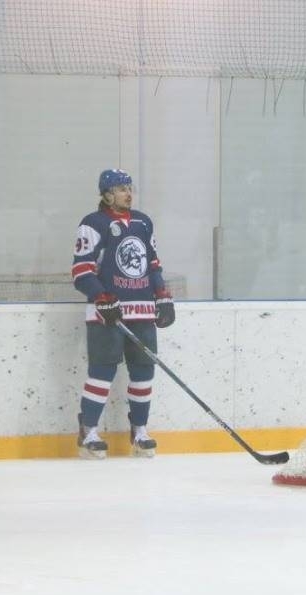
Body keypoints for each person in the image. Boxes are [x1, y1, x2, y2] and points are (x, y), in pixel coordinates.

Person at [71, 169, 176, 459]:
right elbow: (81, 271)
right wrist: (100, 296)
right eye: (120, 189)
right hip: (107, 313)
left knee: (143, 372)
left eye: (129, 188)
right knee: (102, 372)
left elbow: (152, 265)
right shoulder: (93, 223)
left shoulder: (143, 222)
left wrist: (162, 295)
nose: (127, 194)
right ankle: (88, 430)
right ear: (107, 194)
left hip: (142, 311)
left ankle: (139, 430)